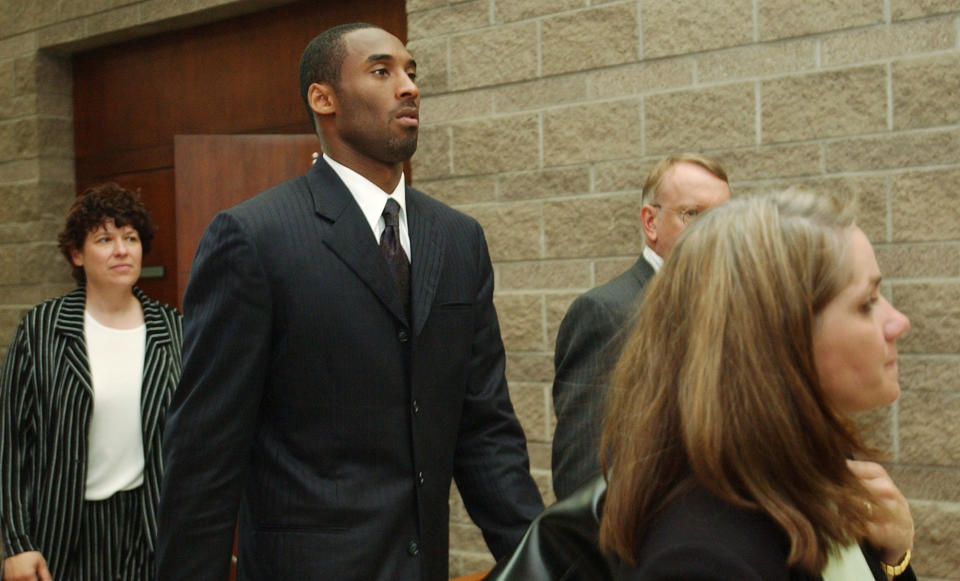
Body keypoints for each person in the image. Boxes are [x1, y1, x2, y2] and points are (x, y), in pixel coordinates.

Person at [155, 22, 543, 580]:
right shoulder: (255, 237)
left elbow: (485, 429)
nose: (408, 86)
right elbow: (204, 454)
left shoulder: (458, 239)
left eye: (412, 73)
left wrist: (541, 560)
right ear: (323, 98)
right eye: (382, 71)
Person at [600, 190, 916, 579]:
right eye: (867, 302)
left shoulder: (819, 470)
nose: (898, 321)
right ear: (778, 339)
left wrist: (894, 557)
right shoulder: (704, 562)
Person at [0, 183, 183, 581]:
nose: (121, 249)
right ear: (77, 254)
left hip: (149, 527)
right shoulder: (41, 329)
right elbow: (11, 441)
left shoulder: (174, 330)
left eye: (130, 238)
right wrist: (15, 542)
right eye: (105, 239)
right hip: (65, 529)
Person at [551, 154, 730, 500]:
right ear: (651, 223)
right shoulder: (607, 314)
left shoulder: (735, 309)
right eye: (693, 214)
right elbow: (586, 483)